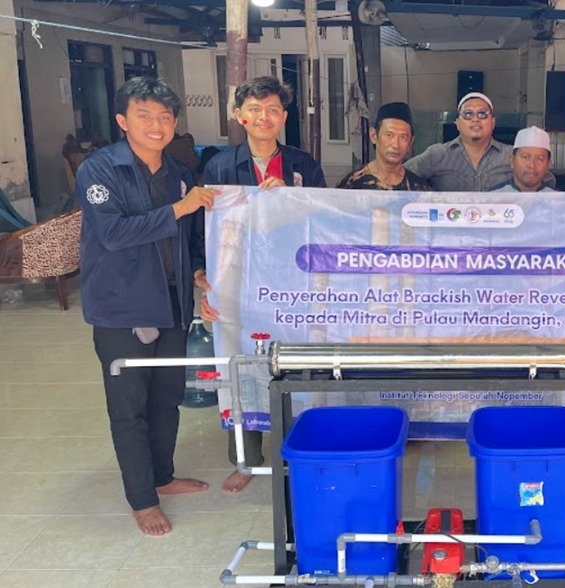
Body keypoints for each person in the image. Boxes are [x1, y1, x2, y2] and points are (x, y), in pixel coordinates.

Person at [76, 77, 217, 535]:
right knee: (129, 408)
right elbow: (113, 234)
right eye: (145, 115)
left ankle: (162, 476)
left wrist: (197, 271)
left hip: (172, 304)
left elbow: (186, 237)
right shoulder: (100, 171)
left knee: (167, 398)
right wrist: (180, 208)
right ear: (122, 120)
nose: (157, 125)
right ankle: (142, 499)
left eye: (165, 116)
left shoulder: (177, 171)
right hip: (122, 308)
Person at [199, 76, 327, 494]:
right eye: (254, 110)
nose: (264, 117)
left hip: (291, 279)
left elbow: (323, 217)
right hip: (238, 279)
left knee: (293, 362)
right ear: (240, 116)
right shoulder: (220, 166)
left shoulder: (302, 166)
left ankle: (298, 449)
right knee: (242, 364)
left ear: (284, 117)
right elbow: (207, 227)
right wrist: (203, 276)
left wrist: (290, 199)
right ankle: (246, 458)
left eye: (272, 109)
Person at [405, 92, 553, 191]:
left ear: (493, 122)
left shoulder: (512, 156)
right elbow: (401, 175)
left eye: (482, 114)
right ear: (457, 123)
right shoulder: (438, 154)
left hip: (499, 228)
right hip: (452, 228)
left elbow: (545, 181)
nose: (475, 119)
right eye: (468, 114)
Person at [337, 102, 430, 190]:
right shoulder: (352, 184)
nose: (396, 145)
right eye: (389, 135)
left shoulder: (419, 188)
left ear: (410, 142)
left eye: (403, 137)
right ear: (373, 136)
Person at [492, 126, 556, 192]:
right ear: (512, 161)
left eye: (539, 158)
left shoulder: (557, 197)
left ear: (548, 165)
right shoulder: (493, 196)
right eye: (525, 157)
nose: (532, 165)